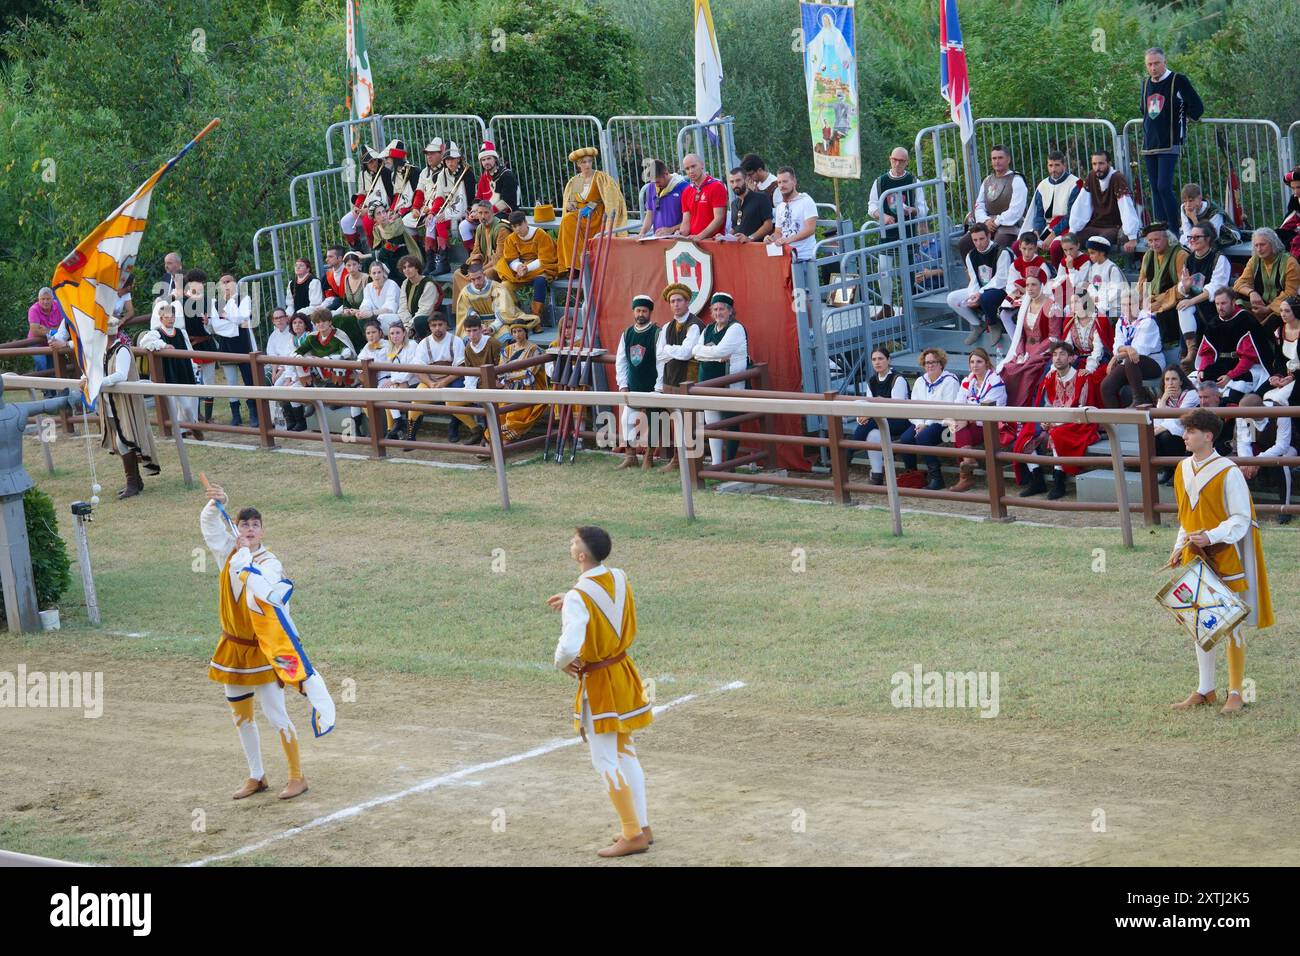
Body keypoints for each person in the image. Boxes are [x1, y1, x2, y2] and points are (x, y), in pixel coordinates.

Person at [201, 481, 336, 800]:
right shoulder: (228, 554)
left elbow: (272, 590)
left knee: (276, 715)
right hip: (232, 649)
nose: (249, 529)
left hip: (263, 651)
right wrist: (216, 502)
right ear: (237, 529)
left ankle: (296, 776)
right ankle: (256, 776)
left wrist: (247, 566)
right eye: (244, 524)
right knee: (240, 716)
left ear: (262, 532)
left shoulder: (268, 564)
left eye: (255, 525)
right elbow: (209, 525)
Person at [547, 526, 654, 858]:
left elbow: (570, 644)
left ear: (581, 556)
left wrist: (560, 662)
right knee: (625, 752)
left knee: (605, 759)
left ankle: (631, 833)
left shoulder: (580, 596)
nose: (570, 542)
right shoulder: (618, 576)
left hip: (599, 682)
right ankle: (642, 826)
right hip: (622, 671)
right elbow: (603, 602)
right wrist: (573, 599)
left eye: (574, 541)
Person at [1165, 409, 1272, 716]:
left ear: (1208, 436)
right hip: (1198, 557)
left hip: (1226, 556)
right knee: (1201, 622)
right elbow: (1186, 518)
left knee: (1232, 625)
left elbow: (1241, 519)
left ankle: (1236, 691)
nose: (1185, 435)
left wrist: (1210, 537)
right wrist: (1178, 546)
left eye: (1191, 431)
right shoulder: (1182, 469)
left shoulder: (1229, 471)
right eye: (1185, 430)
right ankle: (1205, 689)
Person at [1014, 341, 1099, 499]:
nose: (1057, 358)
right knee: (1026, 435)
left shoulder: (1082, 377)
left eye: (1062, 354)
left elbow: (1083, 409)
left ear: (1071, 358)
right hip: (1052, 420)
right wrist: (1045, 420)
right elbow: (1045, 404)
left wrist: (1055, 423)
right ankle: (1037, 479)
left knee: (1057, 434)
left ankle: (1059, 481)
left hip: (1077, 423)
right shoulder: (1050, 377)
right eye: (1054, 354)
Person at [1140, 48, 1205, 229]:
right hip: (1149, 142)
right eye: (1149, 64)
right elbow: (1144, 109)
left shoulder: (1178, 80)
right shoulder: (1145, 83)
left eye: (1156, 63)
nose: (1153, 68)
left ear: (1165, 62)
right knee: (1154, 187)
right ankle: (1159, 227)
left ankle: (1173, 227)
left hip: (1169, 140)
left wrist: (1187, 116)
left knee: (1163, 186)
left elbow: (1197, 106)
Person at [97, 313, 159, 499]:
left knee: (124, 441)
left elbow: (121, 375)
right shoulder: (102, 351)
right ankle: (135, 481)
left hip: (124, 402)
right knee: (121, 441)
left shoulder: (121, 350)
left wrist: (98, 382)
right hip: (110, 402)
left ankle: (132, 483)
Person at [691, 291, 749, 468]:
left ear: (730, 311)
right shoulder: (708, 328)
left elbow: (721, 351)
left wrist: (712, 352)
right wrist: (714, 354)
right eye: (715, 309)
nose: (718, 313)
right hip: (708, 384)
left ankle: (730, 466)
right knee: (712, 423)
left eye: (722, 309)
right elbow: (694, 351)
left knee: (730, 423)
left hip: (729, 385)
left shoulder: (736, 328)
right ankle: (717, 463)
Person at [867, 147, 928, 307]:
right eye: (895, 159)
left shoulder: (914, 182)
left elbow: (923, 209)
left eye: (901, 160)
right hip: (887, 233)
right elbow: (871, 206)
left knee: (907, 271)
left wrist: (912, 210)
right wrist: (883, 216)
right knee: (883, 269)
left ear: (907, 162)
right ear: (890, 159)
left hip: (907, 232)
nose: (897, 163)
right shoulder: (880, 182)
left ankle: (908, 304)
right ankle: (887, 306)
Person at [652, 283, 703, 472]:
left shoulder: (695, 325)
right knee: (676, 421)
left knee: (691, 422)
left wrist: (669, 350)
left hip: (689, 381)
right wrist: (673, 351)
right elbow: (659, 355)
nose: (676, 304)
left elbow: (686, 352)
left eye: (679, 300)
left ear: (687, 301)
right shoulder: (666, 327)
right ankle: (677, 460)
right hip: (670, 379)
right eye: (672, 301)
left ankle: (692, 462)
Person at [1193, 287, 1275, 402]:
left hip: (1245, 366)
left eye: (1223, 303)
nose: (1220, 307)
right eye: (1217, 304)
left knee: (1233, 394)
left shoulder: (1246, 320)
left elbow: (1248, 358)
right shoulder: (1214, 323)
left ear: (1233, 302)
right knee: (1197, 383)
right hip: (1222, 364)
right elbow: (1208, 353)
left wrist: (1230, 376)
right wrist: (1202, 370)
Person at [898, 347, 961, 490]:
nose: (930, 365)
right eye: (927, 363)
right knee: (906, 438)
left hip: (944, 423)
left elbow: (947, 409)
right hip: (922, 422)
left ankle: (937, 479)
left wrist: (926, 425)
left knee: (923, 437)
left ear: (941, 364)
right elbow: (914, 407)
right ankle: (913, 476)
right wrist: (920, 423)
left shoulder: (950, 381)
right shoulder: (920, 381)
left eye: (934, 362)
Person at [948, 348, 1008, 493]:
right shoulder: (968, 381)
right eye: (972, 362)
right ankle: (968, 461)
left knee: (958, 429)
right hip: (972, 423)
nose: (975, 365)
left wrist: (966, 419)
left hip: (992, 425)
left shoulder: (995, 381)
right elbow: (958, 404)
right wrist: (964, 419)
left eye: (979, 362)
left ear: (987, 364)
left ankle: (966, 475)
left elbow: (989, 413)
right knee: (956, 429)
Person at [557, 147, 626, 273]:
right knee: (567, 220)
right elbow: (572, 201)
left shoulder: (601, 177)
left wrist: (610, 223)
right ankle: (574, 266)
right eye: (584, 162)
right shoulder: (577, 180)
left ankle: (585, 264)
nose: (587, 164)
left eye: (589, 161)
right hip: (581, 217)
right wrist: (570, 205)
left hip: (598, 218)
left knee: (571, 221)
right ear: (578, 164)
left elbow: (612, 201)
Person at [138, 301, 202, 438]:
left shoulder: (181, 332)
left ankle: (192, 425)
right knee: (172, 405)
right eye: (167, 317)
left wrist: (194, 365)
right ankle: (183, 431)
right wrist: (164, 345)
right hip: (169, 371)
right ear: (161, 319)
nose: (171, 319)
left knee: (187, 406)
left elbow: (189, 349)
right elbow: (145, 343)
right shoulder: (156, 333)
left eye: (173, 316)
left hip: (184, 369)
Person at [997, 272, 1061, 407]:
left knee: (1027, 372)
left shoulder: (1052, 306)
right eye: (1027, 285)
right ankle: (1008, 412)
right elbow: (1021, 335)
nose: (1030, 288)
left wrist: (1033, 354)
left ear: (1042, 285)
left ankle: (1023, 413)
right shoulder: (1025, 306)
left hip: (1043, 352)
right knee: (1008, 369)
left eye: (1034, 285)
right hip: (1025, 350)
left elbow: (1054, 337)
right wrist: (1020, 352)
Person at [848, 347, 910, 485]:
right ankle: (877, 475)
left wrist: (870, 415)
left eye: (881, 358)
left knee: (870, 423)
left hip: (900, 421)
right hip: (880, 420)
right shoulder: (872, 381)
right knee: (872, 434)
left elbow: (896, 408)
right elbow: (868, 404)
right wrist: (862, 416)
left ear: (889, 360)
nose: (877, 362)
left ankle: (849, 452)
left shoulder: (897, 379)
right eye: (874, 359)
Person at [1174, 223, 1231, 370]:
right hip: (1193, 304)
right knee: (1182, 307)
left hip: (1213, 305)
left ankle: (1201, 361)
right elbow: (1183, 288)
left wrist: (1191, 300)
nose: (1192, 240)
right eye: (1190, 237)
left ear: (1208, 239)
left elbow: (1216, 288)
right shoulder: (1189, 259)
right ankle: (1190, 350)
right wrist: (1185, 287)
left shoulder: (1218, 259)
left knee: (1186, 306)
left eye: (1196, 237)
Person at [957, 144, 1028, 258]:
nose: (997, 161)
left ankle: (998, 274)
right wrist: (986, 221)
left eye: (1000, 158)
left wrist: (996, 222)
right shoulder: (987, 180)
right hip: (987, 224)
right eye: (994, 158)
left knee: (997, 245)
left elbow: (1016, 210)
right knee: (964, 243)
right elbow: (979, 205)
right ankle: (974, 275)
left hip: (1010, 226)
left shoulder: (1017, 180)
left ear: (1008, 159)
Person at [1067, 150, 1143, 254]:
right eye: (1094, 164)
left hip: (1112, 227)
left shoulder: (1117, 178)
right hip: (1094, 225)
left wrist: (1132, 237)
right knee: (1069, 243)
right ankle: (1077, 269)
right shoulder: (1091, 177)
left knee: (1098, 244)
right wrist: (1073, 230)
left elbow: (1126, 207)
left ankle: (1099, 270)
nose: (1097, 168)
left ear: (1109, 163)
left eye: (1101, 163)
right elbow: (1082, 205)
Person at [615, 295, 660, 469]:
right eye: (638, 310)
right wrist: (623, 384)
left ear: (650, 312)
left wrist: (659, 386)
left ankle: (648, 457)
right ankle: (631, 455)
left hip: (652, 385)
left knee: (654, 420)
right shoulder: (627, 333)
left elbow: (661, 361)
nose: (641, 314)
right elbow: (622, 360)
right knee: (627, 420)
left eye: (644, 311)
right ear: (633, 311)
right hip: (633, 386)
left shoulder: (657, 333)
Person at [947, 223, 1011, 347]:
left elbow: (1001, 279)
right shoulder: (971, 255)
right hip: (982, 289)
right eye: (975, 240)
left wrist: (979, 293)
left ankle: (993, 323)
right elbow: (974, 280)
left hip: (1001, 290)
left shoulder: (1001, 252)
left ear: (988, 236)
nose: (978, 243)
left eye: (981, 239)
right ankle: (977, 325)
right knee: (952, 298)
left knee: (985, 297)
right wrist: (972, 295)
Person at [407, 314, 466, 444]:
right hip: (431, 380)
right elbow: (419, 369)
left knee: (453, 402)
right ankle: (411, 435)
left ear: (446, 325)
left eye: (440, 324)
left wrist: (444, 382)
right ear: (429, 327)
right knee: (416, 401)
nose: (437, 328)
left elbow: (460, 368)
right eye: (434, 325)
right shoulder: (424, 343)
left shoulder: (456, 341)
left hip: (453, 379)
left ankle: (472, 429)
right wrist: (430, 383)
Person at [210, 273, 258, 428]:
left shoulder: (244, 298)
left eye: (228, 281)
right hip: (226, 344)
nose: (226, 284)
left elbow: (241, 317)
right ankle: (235, 415)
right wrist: (231, 323)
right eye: (222, 282)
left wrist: (227, 316)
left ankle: (254, 413)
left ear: (235, 283)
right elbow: (216, 326)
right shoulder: (216, 302)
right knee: (231, 381)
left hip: (243, 342)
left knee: (249, 379)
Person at [1232, 227, 1300, 333]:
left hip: (1280, 309)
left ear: (1273, 244)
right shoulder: (1255, 260)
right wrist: (1252, 293)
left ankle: (1257, 333)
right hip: (1260, 305)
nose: (1259, 249)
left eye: (1263, 245)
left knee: (1279, 314)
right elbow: (1239, 283)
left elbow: (1291, 293)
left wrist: (1268, 309)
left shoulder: (1289, 262)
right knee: (1235, 298)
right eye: (1256, 245)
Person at [1101, 296, 1165, 408]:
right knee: (1106, 386)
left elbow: (1138, 351)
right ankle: (1116, 421)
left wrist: (1116, 357)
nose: (1127, 308)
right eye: (1124, 305)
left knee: (1131, 360)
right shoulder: (1121, 321)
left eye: (1130, 304)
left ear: (1137, 305)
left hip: (1153, 363)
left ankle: (1139, 401)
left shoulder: (1148, 320)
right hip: (1128, 363)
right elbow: (1116, 345)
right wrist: (1126, 350)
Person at [422, 142, 475, 276]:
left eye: (452, 159)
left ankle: (471, 259)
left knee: (441, 221)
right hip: (448, 209)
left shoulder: (467, 174)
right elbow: (439, 197)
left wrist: (447, 213)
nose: (449, 162)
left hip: (465, 209)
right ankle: (439, 262)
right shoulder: (442, 175)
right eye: (447, 160)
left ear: (458, 159)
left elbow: (467, 199)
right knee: (432, 221)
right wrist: (433, 212)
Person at [1022, 150, 1082, 267]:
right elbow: (1039, 214)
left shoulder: (1075, 183)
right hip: (1047, 226)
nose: (1053, 169)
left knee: (1055, 247)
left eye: (1057, 165)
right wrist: (1036, 231)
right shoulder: (1042, 185)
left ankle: (1057, 274)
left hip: (1067, 225)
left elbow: (1072, 214)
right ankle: (1031, 275)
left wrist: (1053, 234)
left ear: (1064, 165)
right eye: (1050, 165)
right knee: (1020, 244)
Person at [451, 313, 503, 447]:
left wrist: (500, 382)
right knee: (452, 403)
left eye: (475, 330)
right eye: (468, 331)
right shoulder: (468, 348)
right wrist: (471, 390)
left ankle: (490, 437)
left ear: (481, 329)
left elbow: (503, 364)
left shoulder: (493, 343)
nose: (472, 334)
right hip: (478, 385)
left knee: (488, 405)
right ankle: (478, 431)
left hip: (496, 384)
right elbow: (469, 372)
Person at [496, 319, 551, 445]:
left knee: (516, 412)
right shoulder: (507, 350)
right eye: (514, 332)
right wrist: (509, 378)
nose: (517, 334)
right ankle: (493, 439)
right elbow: (500, 371)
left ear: (526, 332)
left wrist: (510, 376)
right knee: (500, 409)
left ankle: (505, 441)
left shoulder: (534, 350)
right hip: (509, 387)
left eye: (520, 331)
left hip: (529, 387)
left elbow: (530, 372)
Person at [500, 211, 558, 325]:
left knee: (540, 281)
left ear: (526, 222)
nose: (517, 229)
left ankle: (536, 317)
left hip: (540, 268)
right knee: (504, 285)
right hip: (521, 271)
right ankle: (517, 316)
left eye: (519, 225)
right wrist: (518, 267)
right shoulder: (510, 239)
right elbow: (510, 259)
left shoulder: (540, 234)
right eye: (514, 227)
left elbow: (546, 258)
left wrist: (527, 267)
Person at [1136, 222, 1187, 348]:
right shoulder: (1148, 255)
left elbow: (1183, 286)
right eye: (1150, 241)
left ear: (1167, 238)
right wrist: (1145, 301)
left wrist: (1160, 301)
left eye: (1157, 240)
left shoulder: (1180, 254)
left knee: (1162, 317)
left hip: (1172, 302)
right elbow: (1142, 281)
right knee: (1130, 311)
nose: (1153, 244)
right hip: (1151, 301)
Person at [998, 232, 1052, 342]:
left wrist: (1025, 291)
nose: (1027, 253)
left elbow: (1045, 287)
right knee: (1004, 315)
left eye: (1030, 249)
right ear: (1019, 247)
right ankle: (1015, 343)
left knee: (1024, 315)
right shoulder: (1016, 264)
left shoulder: (1040, 264)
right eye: (1024, 248)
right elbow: (1010, 285)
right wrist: (1016, 293)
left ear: (1036, 248)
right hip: (1020, 297)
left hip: (1036, 298)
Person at [456, 200, 512, 304]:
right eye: (480, 213)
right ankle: (465, 309)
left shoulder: (501, 229)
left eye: (486, 213)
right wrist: (474, 269)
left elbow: (500, 257)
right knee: (458, 274)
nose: (483, 216)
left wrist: (479, 271)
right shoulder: (479, 228)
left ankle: (485, 309)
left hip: (499, 266)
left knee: (484, 276)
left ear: (492, 213)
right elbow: (475, 252)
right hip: (484, 265)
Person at [456, 259, 527, 338]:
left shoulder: (497, 288)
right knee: (467, 338)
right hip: (475, 326)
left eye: (479, 278)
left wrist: (492, 328)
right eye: (473, 279)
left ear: (484, 274)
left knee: (505, 336)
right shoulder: (465, 293)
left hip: (499, 323)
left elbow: (503, 313)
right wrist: (479, 326)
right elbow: (467, 313)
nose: (476, 282)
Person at [1152, 366, 1200, 484]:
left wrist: (1158, 429)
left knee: (1164, 435)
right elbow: (1157, 422)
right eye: (1167, 379)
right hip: (1171, 435)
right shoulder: (1163, 399)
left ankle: (1179, 471)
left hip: (1186, 436)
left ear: (1181, 381)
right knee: (1156, 437)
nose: (1170, 383)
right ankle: (1168, 469)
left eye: (1174, 379)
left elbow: (1178, 421)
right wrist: (1163, 401)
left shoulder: (1191, 394)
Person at [340, 144, 389, 251]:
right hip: (366, 207)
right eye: (370, 162)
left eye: (375, 160)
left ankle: (373, 250)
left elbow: (387, 197)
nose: (374, 163)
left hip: (382, 208)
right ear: (365, 164)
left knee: (367, 221)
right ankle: (357, 251)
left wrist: (368, 210)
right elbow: (362, 194)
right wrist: (357, 207)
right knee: (345, 221)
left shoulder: (385, 172)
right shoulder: (362, 174)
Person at [765, 167, 819, 261]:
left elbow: (810, 229)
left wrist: (788, 239)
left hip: (804, 257)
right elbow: (778, 232)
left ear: (794, 182)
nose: (781, 185)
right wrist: (771, 238)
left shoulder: (806, 200)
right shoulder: (780, 206)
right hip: (784, 255)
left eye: (785, 181)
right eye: (779, 182)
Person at [378, 320, 419, 439]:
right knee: (382, 389)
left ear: (404, 333)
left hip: (414, 381)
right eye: (392, 333)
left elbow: (412, 368)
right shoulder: (390, 349)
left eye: (397, 333)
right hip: (399, 382)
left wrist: (395, 381)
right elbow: (392, 371)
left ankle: (397, 426)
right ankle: (398, 422)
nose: (394, 336)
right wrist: (395, 381)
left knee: (390, 390)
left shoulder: (412, 345)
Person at [677, 153, 728, 241]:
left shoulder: (717, 186)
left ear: (702, 165)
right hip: (694, 243)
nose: (690, 171)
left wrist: (700, 236)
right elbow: (686, 222)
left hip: (713, 242)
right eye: (687, 168)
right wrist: (680, 234)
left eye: (693, 166)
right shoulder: (686, 191)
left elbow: (719, 218)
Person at [263, 308, 298, 432]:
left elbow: (290, 354)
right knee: (273, 385)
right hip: (279, 369)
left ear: (286, 318)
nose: (279, 320)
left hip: (291, 368)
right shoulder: (274, 335)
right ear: (273, 321)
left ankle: (292, 420)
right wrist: (273, 372)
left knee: (278, 387)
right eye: (276, 318)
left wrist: (280, 371)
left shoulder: (292, 332)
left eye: (281, 317)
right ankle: (283, 420)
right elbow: (272, 356)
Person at [1077, 236, 1128, 320]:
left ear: (1102, 253)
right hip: (1097, 302)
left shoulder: (1111, 268)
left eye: (1093, 253)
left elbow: (1116, 290)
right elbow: (1091, 286)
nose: (1090, 256)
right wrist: (1093, 297)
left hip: (1112, 305)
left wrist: (1101, 299)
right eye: (1089, 253)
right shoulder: (1093, 268)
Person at [638, 159, 689, 237]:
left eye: (658, 182)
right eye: (653, 182)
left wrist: (671, 229)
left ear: (666, 173)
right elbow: (650, 213)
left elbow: (691, 218)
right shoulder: (652, 186)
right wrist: (642, 232)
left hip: (678, 238)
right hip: (658, 237)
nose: (656, 185)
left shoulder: (683, 187)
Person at [395, 255, 442, 340]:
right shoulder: (405, 283)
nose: (407, 270)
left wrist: (409, 326)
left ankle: (421, 340)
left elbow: (425, 310)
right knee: (386, 319)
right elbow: (403, 306)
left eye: (410, 266)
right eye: (404, 267)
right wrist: (406, 324)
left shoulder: (428, 285)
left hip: (427, 319)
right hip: (409, 320)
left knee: (418, 321)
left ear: (417, 268)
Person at [474, 140, 518, 221]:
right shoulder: (484, 177)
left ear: (495, 159)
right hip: (485, 213)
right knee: (464, 225)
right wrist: (474, 212)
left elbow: (505, 203)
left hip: (506, 214)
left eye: (489, 158)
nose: (486, 162)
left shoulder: (507, 175)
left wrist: (485, 213)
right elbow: (478, 198)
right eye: (483, 160)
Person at [727, 167, 773, 243]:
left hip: (757, 249)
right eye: (732, 182)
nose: (735, 184)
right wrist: (725, 237)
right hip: (739, 250)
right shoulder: (734, 204)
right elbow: (735, 228)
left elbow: (768, 225)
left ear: (746, 180)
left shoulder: (761, 198)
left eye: (738, 180)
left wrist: (750, 238)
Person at [26, 287, 64, 378]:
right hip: (36, 343)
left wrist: (48, 330)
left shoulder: (59, 306)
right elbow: (35, 331)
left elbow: (64, 327)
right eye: (43, 299)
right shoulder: (33, 309)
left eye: (48, 299)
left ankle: (55, 391)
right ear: (38, 299)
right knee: (41, 363)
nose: (45, 302)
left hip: (53, 341)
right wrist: (55, 330)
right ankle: (46, 391)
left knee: (55, 366)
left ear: (52, 299)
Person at [357, 260, 401, 333]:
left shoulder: (391, 284)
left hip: (394, 316)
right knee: (362, 319)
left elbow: (389, 309)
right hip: (377, 315)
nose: (377, 275)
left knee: (382, 317)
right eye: (374, 273)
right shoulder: (368, 287)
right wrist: (362, 313)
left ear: (383, 272)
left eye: (379, 272)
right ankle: (372, 340)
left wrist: (372, 313)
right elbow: (366, 304)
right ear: (370, 274)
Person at [1177, 183, 1224, 248]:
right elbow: (1187, 232)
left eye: (1191, 201)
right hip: (1196, 238)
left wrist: (1194, 219)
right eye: (1185, 201)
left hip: (1220, 238)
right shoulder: (1183, 207)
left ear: (1200, 199)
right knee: (1183, 241)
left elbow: (1212, 237)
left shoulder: (1214, 212)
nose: (1187, 205)